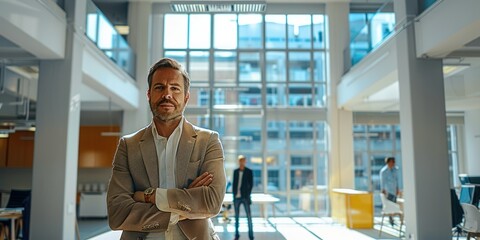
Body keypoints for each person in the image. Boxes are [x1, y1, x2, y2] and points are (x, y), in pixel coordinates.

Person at [107, 58, 226, 240]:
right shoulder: (128, 146)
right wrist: (185, 205)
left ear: (186, 97)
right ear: (149, 95)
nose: (167, 94)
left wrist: (148, 196)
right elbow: (117, 213)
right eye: (159, 87)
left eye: (175, 88)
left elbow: (211, 202)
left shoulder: (208, 141)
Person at [232, 155, 254, 240]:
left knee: (249, 217)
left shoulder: (249, 171)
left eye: (243, 161)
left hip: (245, 197)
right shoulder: (235, 171)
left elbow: (251, 184)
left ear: (245, 162)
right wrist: (234, 195)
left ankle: (251, 236)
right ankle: (237, 235)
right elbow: (234, 184)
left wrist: (247, 194)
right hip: (236, 198)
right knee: (236, 217)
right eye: (240, 161)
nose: (242, 162)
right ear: (239, 162)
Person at [379, 156, 401, 226]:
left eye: (394, 162)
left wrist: (398, 188)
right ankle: (390, 219)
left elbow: (397, 180)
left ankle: (392, 218)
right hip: (388, 191)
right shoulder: (384, 171)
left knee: (394, 204)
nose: (393, 163)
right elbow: (382, 181)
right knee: (389, 205)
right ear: (388, 162)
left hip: (394, 191)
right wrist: (383, 189)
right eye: (392, 162)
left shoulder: (395, 170)